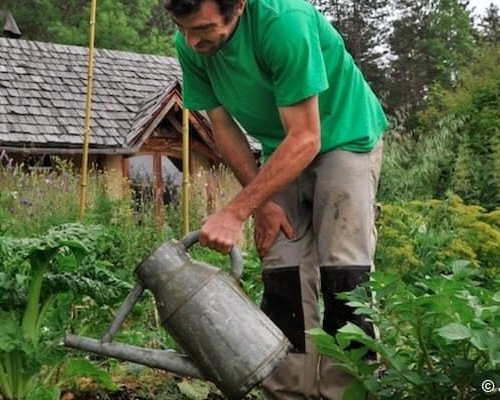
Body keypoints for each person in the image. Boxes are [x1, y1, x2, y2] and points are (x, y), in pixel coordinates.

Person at [163, 0, 387, 398]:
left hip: (345, 138)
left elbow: (307, 137)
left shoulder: (285, 23)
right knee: (282, 271)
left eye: (203, 28)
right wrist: (261, 205)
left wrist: (235, 212)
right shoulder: (190, 43)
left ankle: (346, 391)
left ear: (239, 6)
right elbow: (222, 127)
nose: (192, 40)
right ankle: (287, 390)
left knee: (343, 272)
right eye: (184, 28)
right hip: (281, 148)